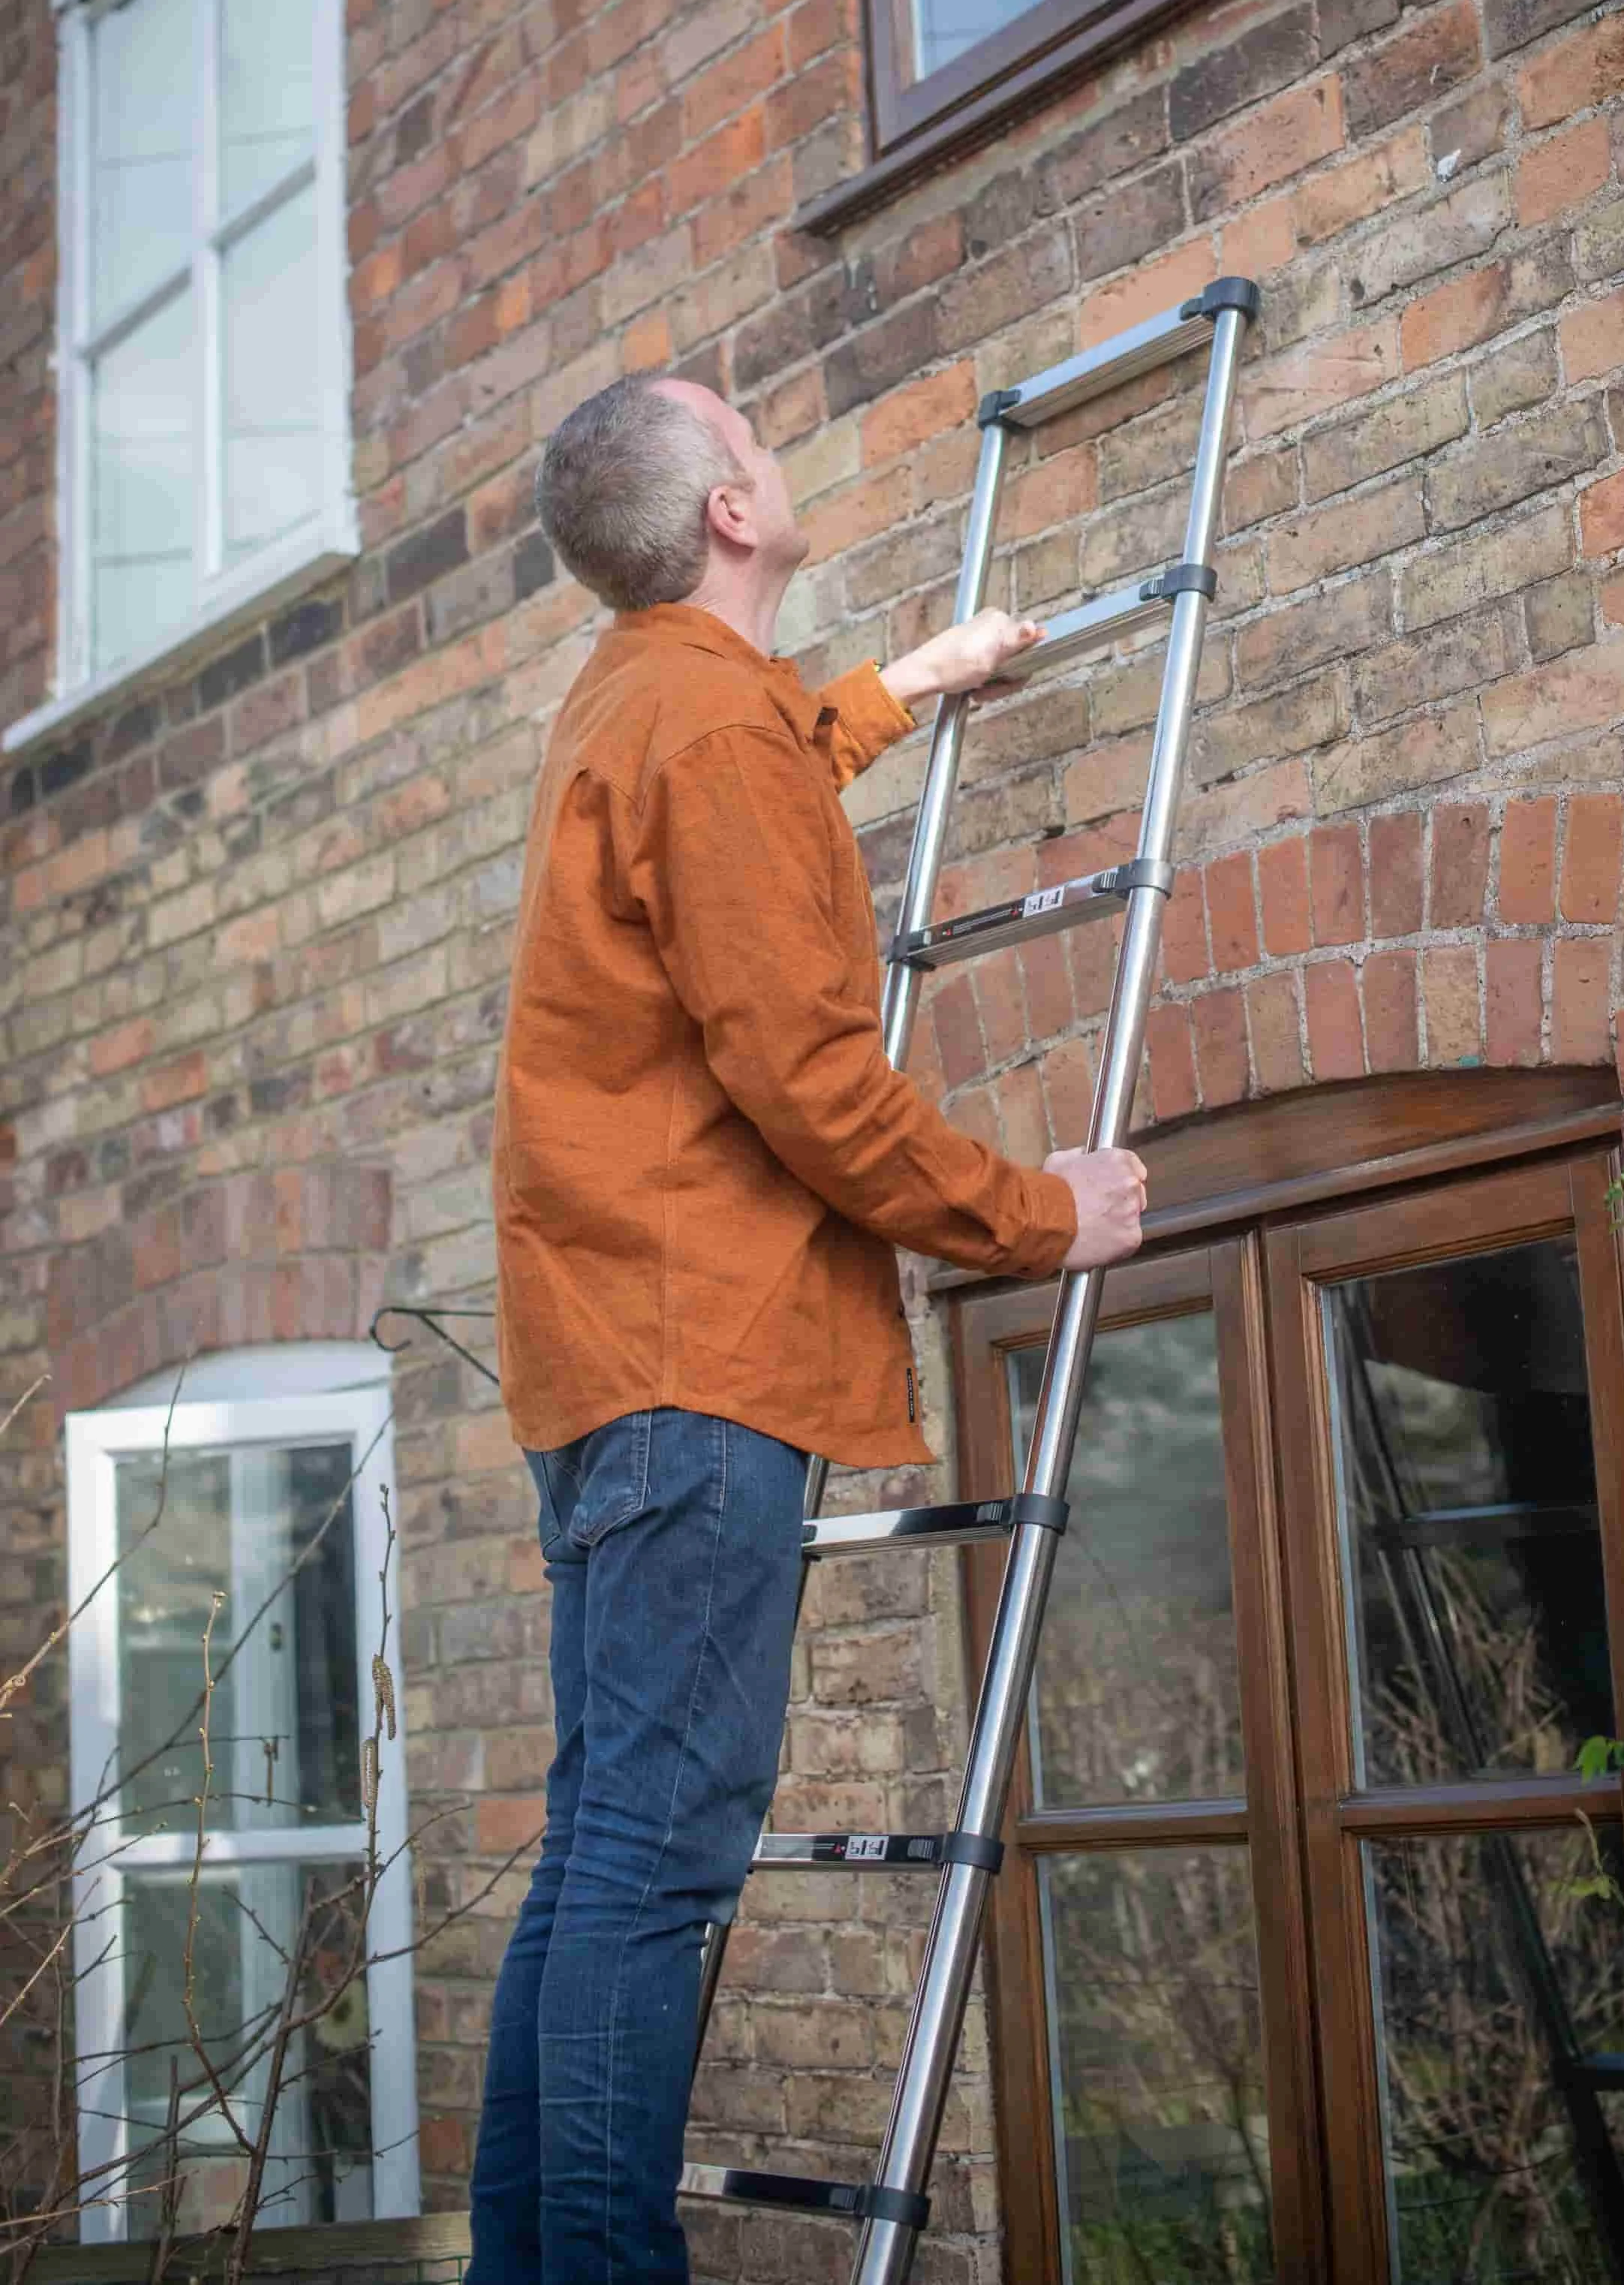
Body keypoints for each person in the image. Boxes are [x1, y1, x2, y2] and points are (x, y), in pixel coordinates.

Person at [467, 369, 1147, 2283]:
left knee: (597, 1854)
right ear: (734, 517)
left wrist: (897, 692)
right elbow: (808, 1073)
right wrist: (1039, 1216)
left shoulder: (643, 696)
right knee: (654, 1862)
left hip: (613, 1365)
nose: (772, 445)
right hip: (698, 1368)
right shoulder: (702, 729)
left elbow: (739, 809)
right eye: (748, 435)